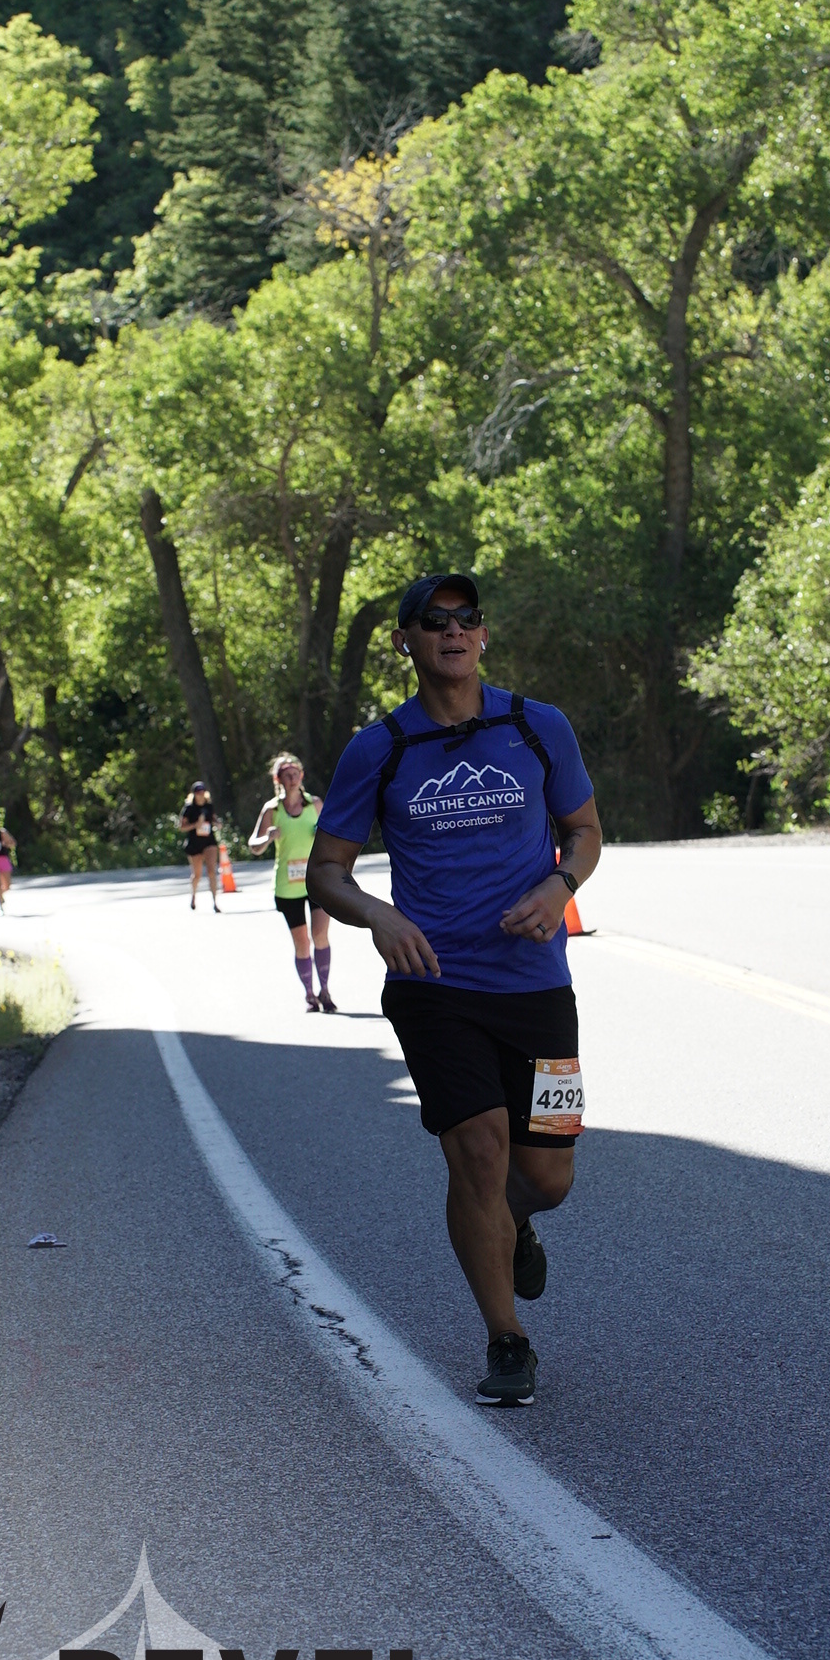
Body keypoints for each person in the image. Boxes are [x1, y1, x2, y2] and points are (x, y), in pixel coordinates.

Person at [308, 574, 601, 1407]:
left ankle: (515, 1223)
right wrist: (379, 916)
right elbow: (326, 871)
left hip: (538, 986)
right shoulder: (381, 748)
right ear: (405, 640)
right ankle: (507, 1339)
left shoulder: (537, 725)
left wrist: (559, 886)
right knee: (476, 1151)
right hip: (434, 985)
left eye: (466, 618)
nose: (453, 631)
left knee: (548, 1177)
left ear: (483, 633)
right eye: (434, 621)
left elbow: (584, 831)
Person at [247, 753, 336, 1012]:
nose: (292, 778)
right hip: (288, 887)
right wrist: (267, 837)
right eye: (286, 775)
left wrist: (323, 833)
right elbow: (253, 846)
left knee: (319, 934)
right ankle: (309, 994)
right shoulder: (272, 809)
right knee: (302, 943)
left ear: (302, 776)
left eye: (295, 773)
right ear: (278, 780)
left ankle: (325, 990)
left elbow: (334, 835)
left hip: (316, 881)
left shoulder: (315, 804)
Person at [179, 780, 221, 911]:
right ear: (194, 794)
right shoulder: (189, 808)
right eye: (198, 792)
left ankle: (215, 902)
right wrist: (195, 825)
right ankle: (193, 896)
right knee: (197, 875)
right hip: (194, 843)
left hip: (209, 841)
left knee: (211, 871)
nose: (200, 794)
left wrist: (217, 823)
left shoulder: (209, 806)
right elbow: (182, 827)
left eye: (202, 792)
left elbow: (213, 818)